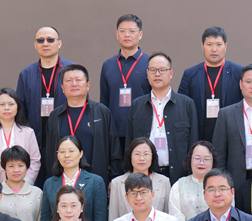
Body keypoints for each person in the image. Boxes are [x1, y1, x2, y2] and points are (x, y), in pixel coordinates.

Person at [42, 64, 122, 188]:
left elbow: (114, 149)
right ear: (62, 87)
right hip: (62, 184)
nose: (74, 84)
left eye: (78, 80)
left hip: (96, 182)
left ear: (88, 85)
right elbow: (49, 153)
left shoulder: (102, 112)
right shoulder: (55, 116)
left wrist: (114, 179)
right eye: (69, 80)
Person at [126, 52, 199, 184]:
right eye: (153, 70)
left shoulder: (186, 104)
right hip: (144, 176)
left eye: (162, 70)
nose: (157, 74)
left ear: (171, 73)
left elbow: (193, 143)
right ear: (147, 74)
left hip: (178, 177)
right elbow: (129, 143)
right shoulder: (136, 105)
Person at [15, 26, 76, 163]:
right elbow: (20, 111)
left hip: (66, 143)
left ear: (59, 43)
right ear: (35, 45)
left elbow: (82, 105)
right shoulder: (26, 74)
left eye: (50, 40)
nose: (45, 43)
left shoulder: (72, 71)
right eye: (40, 40)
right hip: (35, 144)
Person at [178, 27, 244, 142]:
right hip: (200, 137)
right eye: (209, 44)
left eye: (219, 44)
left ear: (226, 46)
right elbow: (182, 107)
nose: (214, 49)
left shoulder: (239, 72)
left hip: (231, 137)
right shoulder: (190, 74)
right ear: (202, 46)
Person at [41, 136, 108, 221]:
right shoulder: (49, 183)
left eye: (71, 151)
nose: (67, 155)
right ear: (57, 155)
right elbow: (45, 220)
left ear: (81, 154)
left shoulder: (95, 182)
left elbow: (100, 220)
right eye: (62, 151)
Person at [99, 14, 151, 151]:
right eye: (122, 31)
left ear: (140, 34)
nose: (127, 35)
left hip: (143, 131)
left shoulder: (150, 63)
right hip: (114, 132)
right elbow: (104, 101)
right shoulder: (108, 65)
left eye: (132, 31)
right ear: (117, 34)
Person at [0, 87, 41, 184]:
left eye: (11, 104)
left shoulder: (28, 132)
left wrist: (25, 184)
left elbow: (35, 161)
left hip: (22, 187)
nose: (7, 108)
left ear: (17, 107)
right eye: (2, 104)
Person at [108, 137, 170, 221]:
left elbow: (168, 216)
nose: (142, 158)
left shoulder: (164, 181)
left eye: (146, 154)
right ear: (130, 156)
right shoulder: (117, 183)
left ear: (153, 156)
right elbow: (113, 218)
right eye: (137, 154)